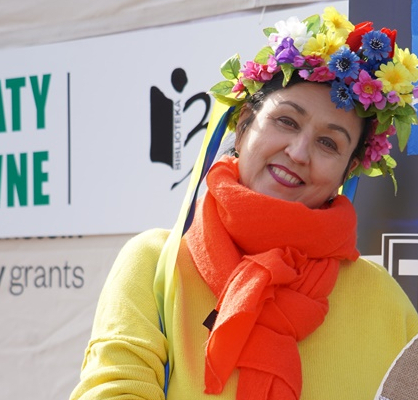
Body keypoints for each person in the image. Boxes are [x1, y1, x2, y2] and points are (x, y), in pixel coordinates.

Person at [70, 7, 418, 400]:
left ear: (348, 170)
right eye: (286, 121)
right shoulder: (155, 264)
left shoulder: (384, 301)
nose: (298, 152)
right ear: (244, 125)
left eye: (328, 143)